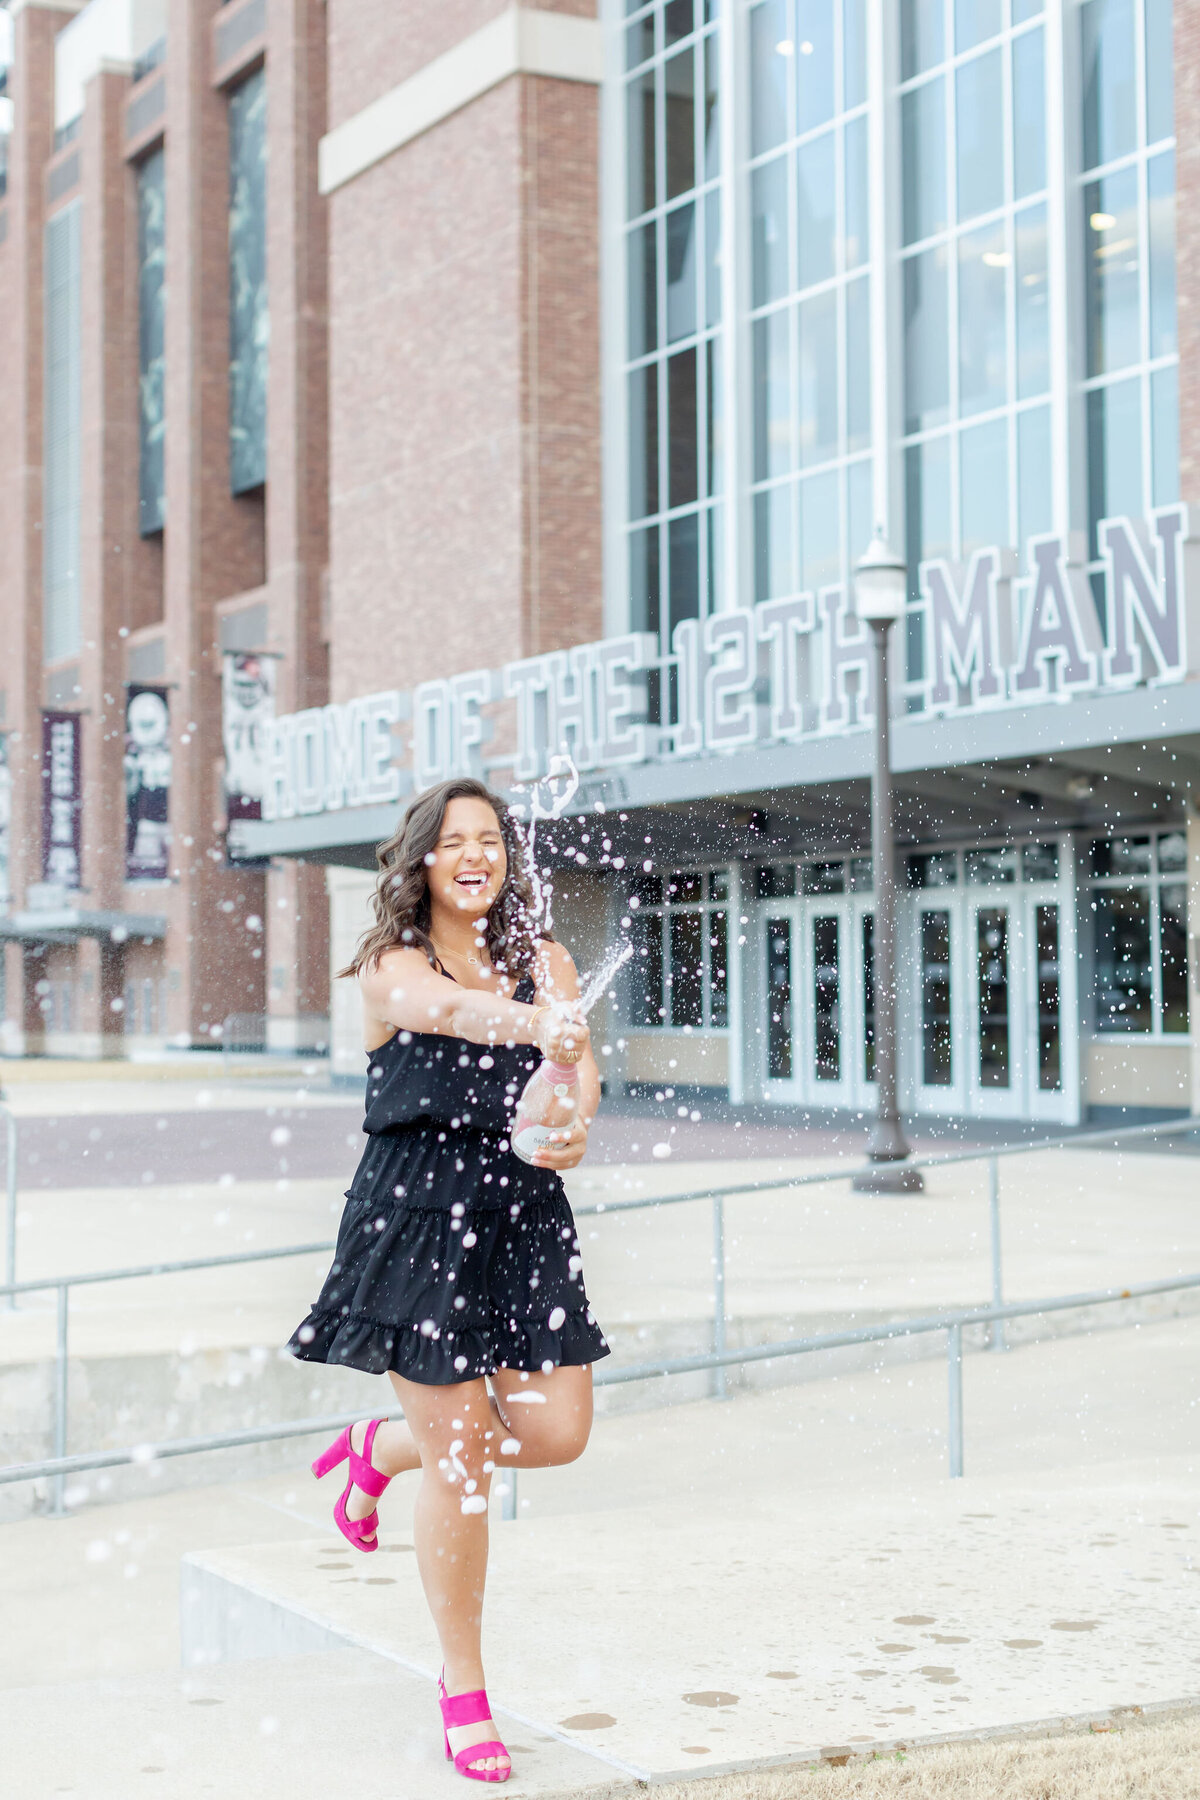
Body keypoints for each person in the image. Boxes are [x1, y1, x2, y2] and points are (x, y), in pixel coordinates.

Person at [289, 777, 608, 1784]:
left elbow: (579, 1069)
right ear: (422, 858)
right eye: (455, 839)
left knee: (557, 1433)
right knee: (464, 1459)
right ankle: (463, 1689)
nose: (477, 854)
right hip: (418, 1218)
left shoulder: (545, 958)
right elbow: (446, 1012)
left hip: (521, 1218)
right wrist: (527, 1028)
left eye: (492, 840)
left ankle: (377, 1450)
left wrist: (573, 1120)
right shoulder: (394, 965)